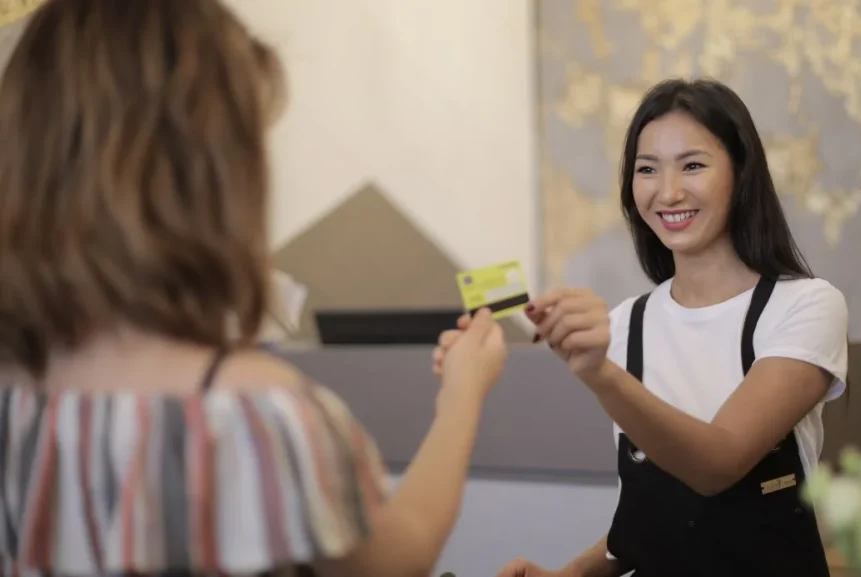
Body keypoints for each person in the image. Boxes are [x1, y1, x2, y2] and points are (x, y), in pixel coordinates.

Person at [0, 1, 507, 576]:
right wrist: (463, 393)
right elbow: (398, 557)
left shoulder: (17, 392)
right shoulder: (260, 415)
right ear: (215, 169)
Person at [438, 78, 848, 576]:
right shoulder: (625, 326)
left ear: (741, 173)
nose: (668, 192)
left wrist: (598, 373)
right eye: (647, 169)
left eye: (693, 165)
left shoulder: (805, 307)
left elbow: (716, 466)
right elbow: (655, 514)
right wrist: (568, 575)